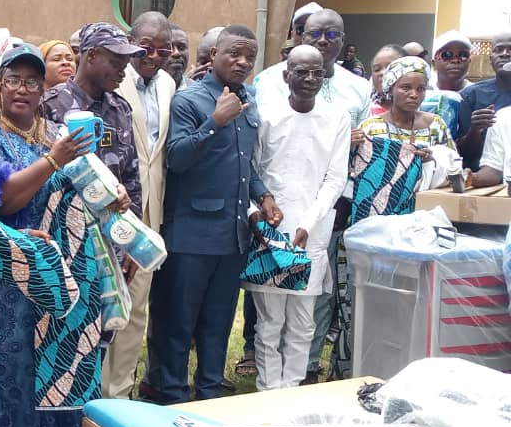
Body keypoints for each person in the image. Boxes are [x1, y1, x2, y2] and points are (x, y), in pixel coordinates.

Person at [0, 45, 92, 427]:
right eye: (13, 80)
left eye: (32, 82)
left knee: (51, 367)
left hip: (54, 273)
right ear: (0, 86)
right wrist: (54, 161)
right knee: (8, 370)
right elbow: (4, 201)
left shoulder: (53, 135)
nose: (23, 89)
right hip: (4, 280)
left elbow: (79, 189)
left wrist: (111, 193)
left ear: (43, 88)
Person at [154, 25, 280, 404]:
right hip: (191, 234)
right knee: (179, 323)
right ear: (214, 56)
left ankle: (209, 393)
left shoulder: (248, 101)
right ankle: (172, 396)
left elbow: (245, 163)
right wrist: (216, 121)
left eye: (249, 58)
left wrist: (264, 195)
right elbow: (176, 159)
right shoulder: (189, 101)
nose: (242, 63)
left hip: (233, 235)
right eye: (234, 54)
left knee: (219, 322)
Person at [247, 46, 350, 391]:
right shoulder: (268, 115)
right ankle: (267, 390)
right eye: (301, 72)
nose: (309, 79)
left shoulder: (337, 117)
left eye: (316, 73)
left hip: (314, 229)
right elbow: (253, 171)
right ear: (286, 74)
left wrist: (308, 221)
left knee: (304, 320)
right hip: (271, 231)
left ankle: (290, 388)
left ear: (324, 75)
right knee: (270, 319)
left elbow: (335, 178)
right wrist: (257, 216)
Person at [102, 12, 173, 400]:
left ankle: (120, 392)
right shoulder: (114, 80)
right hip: (113, 207)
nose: (154, 56)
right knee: (104, 303)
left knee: (136, 308)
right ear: (131, 42)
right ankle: (92, 391)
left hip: (150, 212)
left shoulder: (167, 84)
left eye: (164, 49)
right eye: (146, 47)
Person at [43, 22, 142, 210]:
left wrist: (129, 211)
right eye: (115, 64)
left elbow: (131, 177)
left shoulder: (121, 108)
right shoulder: (50, 104)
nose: (122, 73)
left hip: (112, 228)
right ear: (92, 55)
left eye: (125, 66)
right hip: (65, 227)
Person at [358, 56, 456, 196]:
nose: (414, 95)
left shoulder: (436, 125)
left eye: (420, 89)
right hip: (380, 205)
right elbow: (359, 173)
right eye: (406, 88)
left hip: (426, 207)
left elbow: (454, 168)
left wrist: (433, 161)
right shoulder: (371, 127)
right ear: (390, 88)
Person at [455, 31, 511, 171]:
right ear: (490, 58)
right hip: (481, 180)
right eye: (498, 50)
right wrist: (475, 130)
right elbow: (462, 154)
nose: (505, 54)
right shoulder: (470, 95)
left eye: (510, 49)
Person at [368, 43, 406, 114]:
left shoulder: (422, 107)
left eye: (390, 67)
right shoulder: (364, 108)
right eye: (377, 69)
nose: (383, 73)